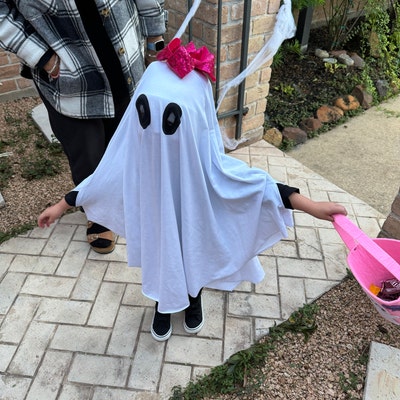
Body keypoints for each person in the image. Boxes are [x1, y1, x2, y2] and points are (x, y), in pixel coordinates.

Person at [38, 39, 347, 341]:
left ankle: (192, 295)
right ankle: (163, 301)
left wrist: (310, 205)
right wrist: (61, 205)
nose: (155, 129)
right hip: (158, 227)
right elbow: (103, 179)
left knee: (193, 253)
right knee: (163, 258)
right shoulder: (136, 158)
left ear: (194, 121)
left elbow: (257, 187)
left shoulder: (208, 168)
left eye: (169, 120)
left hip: (193, 221)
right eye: (144, 114)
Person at [0, 0, 167, 253]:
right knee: (86, 153)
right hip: (67, 73)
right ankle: (99, 213)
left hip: (124, 56)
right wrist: (40, 56)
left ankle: (128, 196)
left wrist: (155, 36)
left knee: (126, 138)